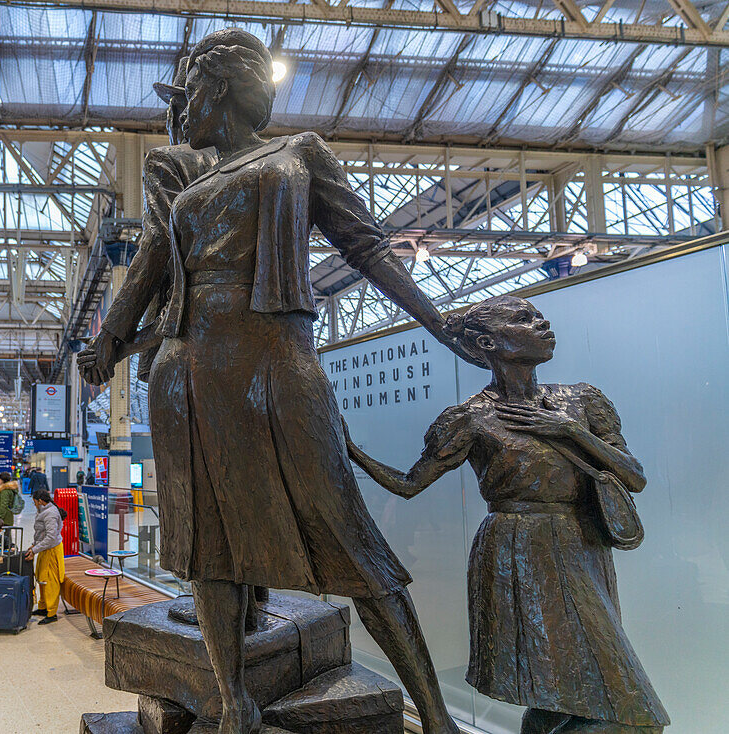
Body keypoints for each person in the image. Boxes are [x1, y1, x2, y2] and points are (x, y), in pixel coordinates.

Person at [77, 29, 478, 734]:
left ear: (220, 87)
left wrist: (437, 322)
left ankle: (437, 718)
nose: (179, 114)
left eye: (188, 93)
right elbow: (149, 269)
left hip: (278, 357)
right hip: (189, 372)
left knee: (347, 530)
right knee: (206, 540)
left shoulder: (300, 153)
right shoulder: (185, 181)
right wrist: (106, 343)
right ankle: (235, 699)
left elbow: (366, 244)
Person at [344, 296, 670, 734]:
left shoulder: (582, 400)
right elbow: (408, 484)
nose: (542, 323)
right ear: (487, 341)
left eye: (538, 316)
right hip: (517, 549)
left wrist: (570, 431)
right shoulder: (470, 418)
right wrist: (347, 449)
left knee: (574, 692)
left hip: (583, 542)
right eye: (524, 319)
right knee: (571, 693)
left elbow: (634, 477)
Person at [24, 488, 64, 626]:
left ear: (40, 501)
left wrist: (35, 549)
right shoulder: (43, 511)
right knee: (41, 577)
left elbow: (51, 538)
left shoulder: (50, 514)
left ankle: (52, 613)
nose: (34, 505)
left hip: (51, 551)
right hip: (43, 549)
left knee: (50, 580)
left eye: (35, 502)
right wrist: (33, 546)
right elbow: (41, 534)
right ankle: (43, 607)